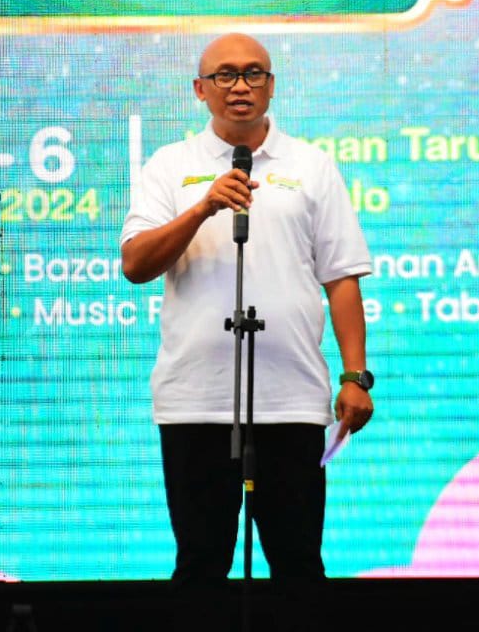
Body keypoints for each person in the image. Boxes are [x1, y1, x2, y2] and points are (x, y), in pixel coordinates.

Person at [119, 32, 375, 631]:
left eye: (254, 73)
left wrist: (356, 376)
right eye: (226, 75)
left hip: (291, 399)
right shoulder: (169, 165)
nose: (241, 85)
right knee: (200, 565)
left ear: (271, 85)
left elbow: (341, 277)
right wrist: (202, 207)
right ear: (200, 89)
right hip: (196, 401)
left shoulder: (311, 165)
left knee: (298, 567)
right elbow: (136, 264)